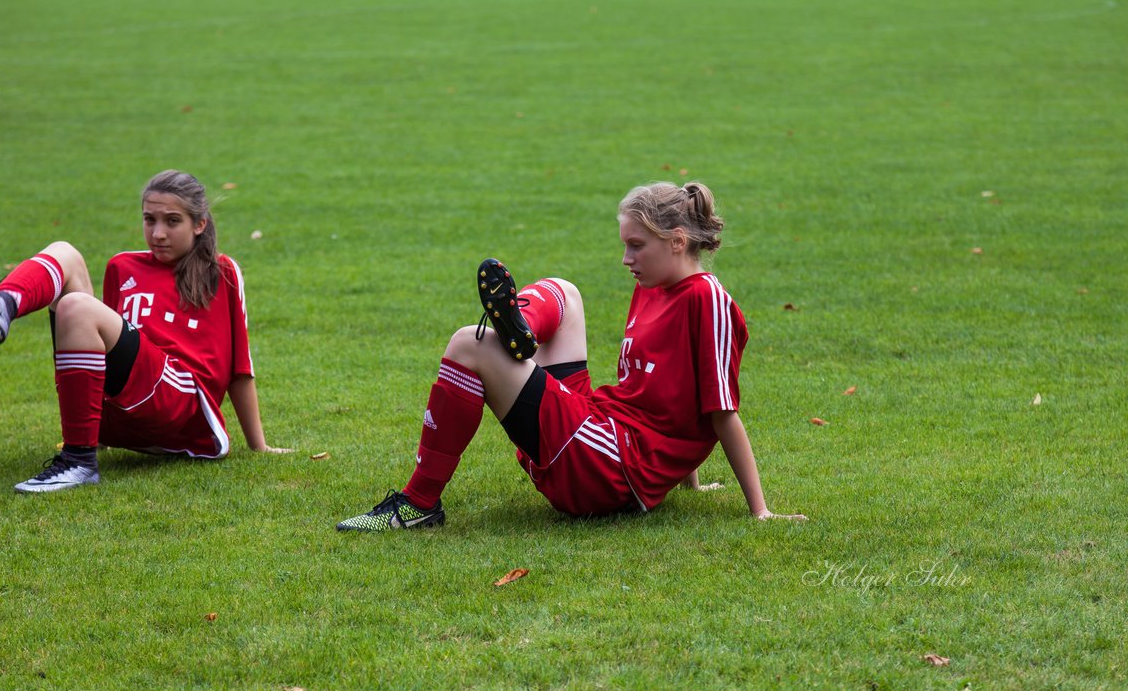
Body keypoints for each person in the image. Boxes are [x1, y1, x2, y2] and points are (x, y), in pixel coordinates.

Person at [337, 181, 806, 531]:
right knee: (566, 292)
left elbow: (719, 411)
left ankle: (419, 504)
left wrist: (760, 510)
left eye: (636, 246)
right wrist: (691, 480)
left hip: (609, 468)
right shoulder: (655, 287)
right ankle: (520, 330)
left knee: (468, 344)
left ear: (678, 241)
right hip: (605, 432)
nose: (626, 258)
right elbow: (667, 396)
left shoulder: (708, 300)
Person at [0, 169, 288, 493]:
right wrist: (100, 430)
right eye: (149, 220)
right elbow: (108, 348)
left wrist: (259, 445)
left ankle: (78, 461)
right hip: (127, 408)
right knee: (66, 254)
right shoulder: (122, 266)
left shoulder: (221, 271)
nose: (158, 233)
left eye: (172, 221)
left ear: (199, 224)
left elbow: (240, 369)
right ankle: (3, 306)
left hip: (180, 404)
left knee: (76, 307)